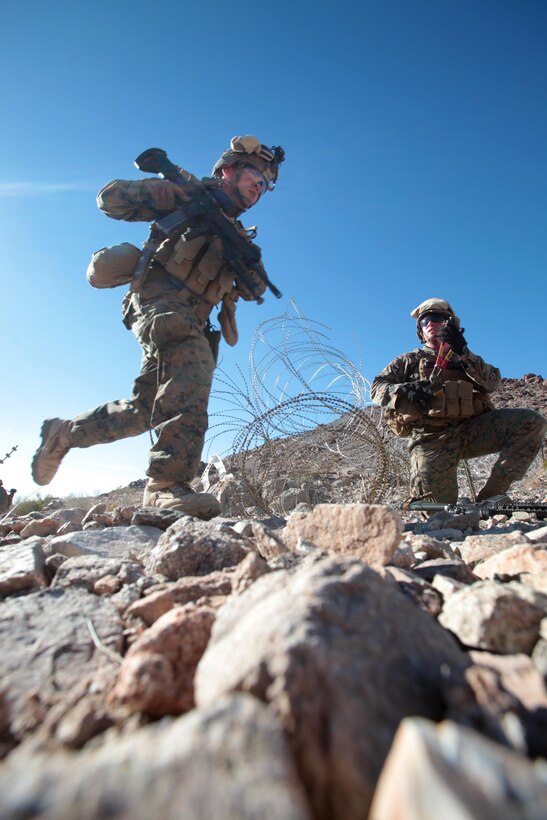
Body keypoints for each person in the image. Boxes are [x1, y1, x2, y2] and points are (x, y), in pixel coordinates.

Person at [32, 136, 285, 519]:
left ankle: (64, 433)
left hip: (192, 319)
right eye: (254, 176)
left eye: (265, 185)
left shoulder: (239, 238)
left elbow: (256, 289)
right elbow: (109, 199)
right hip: (157, 300)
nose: (258, 188)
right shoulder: (188, 196)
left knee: (144, 410)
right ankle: (166, 485)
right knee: (192, 356)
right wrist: (165, 192)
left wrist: (250, 275)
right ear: (228, 169)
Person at [370, 298, 546, 504]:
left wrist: (464, 354)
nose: (430, 324)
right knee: (435, 510)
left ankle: (492, 495)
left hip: (472, 431)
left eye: (437, 318)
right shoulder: (407, 361)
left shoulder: (464, 356)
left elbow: (493, 383)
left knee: (531, 422)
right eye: (424, 321)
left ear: (450, 323)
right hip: (431, 439)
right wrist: (404, 391)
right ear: (420, 330)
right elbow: (376, 388)